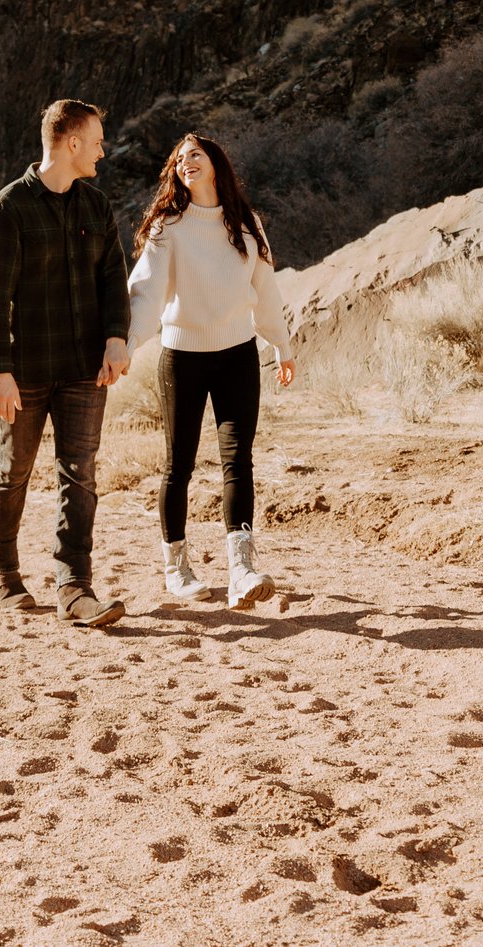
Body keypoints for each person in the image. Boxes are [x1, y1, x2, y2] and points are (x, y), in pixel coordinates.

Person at [0, 98, 132, 627]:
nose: (101, 152)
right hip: (26, 370)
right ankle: (6, 573)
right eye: (95, 142)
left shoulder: (96, 206)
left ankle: (74, 586)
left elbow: (114, 277)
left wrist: (116, 337)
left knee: (79, 473)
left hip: (87, 368)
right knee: (14, 468)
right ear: (70, 143)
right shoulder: (8, 208)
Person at [123, 132, 294, 610]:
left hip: (238, 354)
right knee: (179, 464)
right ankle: (177, 569)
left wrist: (281, 345)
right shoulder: (168, 227)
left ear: (215, 162)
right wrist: (128, 344)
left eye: (194, 154)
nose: (185, 163)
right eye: (179, 158)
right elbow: (146, 294)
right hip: (183, 358)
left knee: (238, 461)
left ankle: (241, 569)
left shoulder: (245, 224)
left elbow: (265, 289)